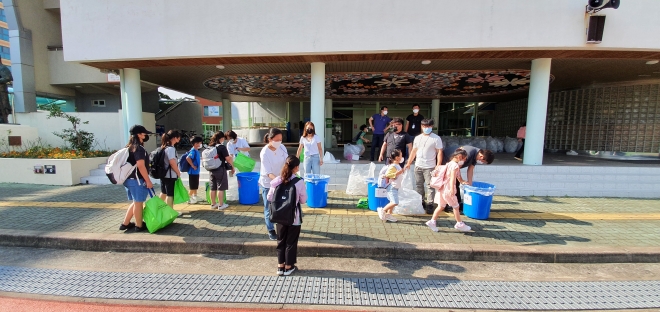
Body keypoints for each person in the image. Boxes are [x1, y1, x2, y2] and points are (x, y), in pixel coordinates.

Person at [267, 155, 307, 276]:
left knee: (281, 241)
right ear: (296, 168)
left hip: (279, 216)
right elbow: (303, 200)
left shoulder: (277, 181)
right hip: (293, 218)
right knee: (291, 242)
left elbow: (269, 197)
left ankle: (280, 266)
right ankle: (289, 267)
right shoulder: (299, 182)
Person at [426, 149, 472, 232]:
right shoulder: (455, 166)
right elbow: (452, 178)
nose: (465, 161)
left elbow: (458, 176)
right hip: (448, 189)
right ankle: (459, 223)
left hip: (442, 189)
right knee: (456, 206)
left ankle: (432, 221)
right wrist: (452, 189)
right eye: (464, 159)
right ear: (459, 157)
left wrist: (462, 181)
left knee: (441, 206)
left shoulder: (449, 164)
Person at [404, 119, 443, 213]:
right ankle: (421, 201)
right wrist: (409, 162)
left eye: (428, 126)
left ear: (432, 127)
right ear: (421, 126)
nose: (426, 128)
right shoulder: (417, 138)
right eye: (425, 126)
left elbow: (440, 152)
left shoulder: (436, 138)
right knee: (419, 185)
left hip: (430, 166)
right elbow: (414, 151)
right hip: (418, 165)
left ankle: (430, 204)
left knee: (430, 186)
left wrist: (438, 165)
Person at [120, 125, 154, 232]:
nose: (146, 135)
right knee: (139, 203)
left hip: (128, 180)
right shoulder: (138, 148)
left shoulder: (128, 147)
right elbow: (140, 165)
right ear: (139, 134)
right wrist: (148, 180)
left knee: (135, 202)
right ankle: (139, 225)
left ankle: (125, 223)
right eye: (144, 133)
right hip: (137, 180)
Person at [442, 146, 495, 212]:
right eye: (483, 162)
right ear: (481, 157)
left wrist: (470, 183)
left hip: (454, 167)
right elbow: (457, 169)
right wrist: (461, 180)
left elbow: (470, 169)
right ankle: (449, 205)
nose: (482, 163)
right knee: (452, 184)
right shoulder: (469, 153)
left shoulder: (476, 156)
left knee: (456, 184)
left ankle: (457, 203)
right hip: (445, 160)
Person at [260, 128, 288, 240]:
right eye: (277, 140)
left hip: (281, 181)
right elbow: (268, 173)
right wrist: (279, 180)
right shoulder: (264, 152)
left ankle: (281, 225)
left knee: (281, 205)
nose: (279, 142)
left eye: (281, 139)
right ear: (270, 139)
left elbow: (286, 163)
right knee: (269, 207)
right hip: (268, 183)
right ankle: (271, 230)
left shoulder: (282, 147)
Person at [207, 131, 235, 210]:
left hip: (211, 169)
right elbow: (228, 158)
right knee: (220, 187)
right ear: (221, 138)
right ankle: (221, 205)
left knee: (213, 187)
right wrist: (232, 167)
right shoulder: (221, 147)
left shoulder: (210, 146)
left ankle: (213, 204)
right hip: (220, 169)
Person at [377, 149, 405, 223]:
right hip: (392, 187)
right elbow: (388, 175)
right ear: (397, 158)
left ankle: (389, 214)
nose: (402, 157)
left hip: (395, 187)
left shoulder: (397, 165)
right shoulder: (393, 166)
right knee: (395, 202)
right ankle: (382, 210)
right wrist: (398, 173)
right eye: (401, 155)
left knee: (392, 201)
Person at [159, 130, 182, 214]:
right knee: (170, 194)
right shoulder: (171, 149)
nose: (179, 139)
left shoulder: (163, 147)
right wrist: (177, 172)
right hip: (170, 175)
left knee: (164, 192)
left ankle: (158, 208)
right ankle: (170, 212)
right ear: (175, 138)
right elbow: (172, 162)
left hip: (163, 174)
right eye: (178, 137)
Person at [186, 136, 203, 204]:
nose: (200, 144)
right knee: (192, 186)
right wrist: (193, 165)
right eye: (200, 143)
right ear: (196, 143)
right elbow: (188, 158)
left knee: (195, 185)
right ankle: (189, 198)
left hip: (196, 172)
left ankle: (195, 196)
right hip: (193, 172)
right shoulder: (193, 151)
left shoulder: (196, 150)